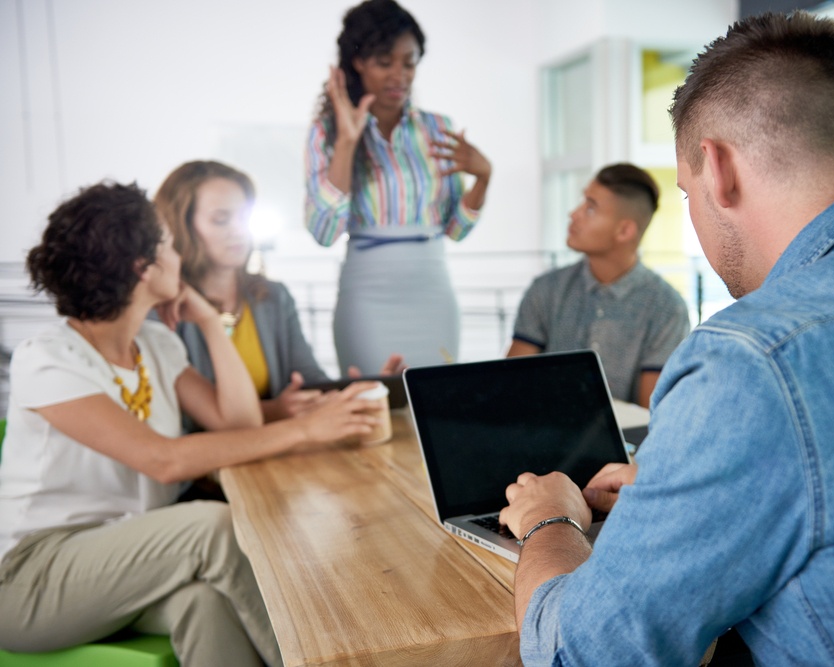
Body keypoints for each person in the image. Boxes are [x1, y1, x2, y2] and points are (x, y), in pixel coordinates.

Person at [499, 11, 834, 666]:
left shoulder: (750, 358)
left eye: (686, 194)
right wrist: (676, 483)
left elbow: (584, 653)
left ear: (717, 167)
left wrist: (550, 520)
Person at [0, 182, 384, 665]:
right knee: (213, 527)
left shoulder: (157, 346)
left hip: (130, 561)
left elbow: (238, 425)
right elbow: (163, 461)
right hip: (32, 578)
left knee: (204, 604)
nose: (177, 252)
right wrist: (306, 428)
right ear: (143, 266)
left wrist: (207, 320)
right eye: (166, 242)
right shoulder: (49, 359)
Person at [305, 0, 492, 375]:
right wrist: (347, 141)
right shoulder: (326, 133)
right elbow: (324, 233)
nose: (400, 76)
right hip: (367, 296)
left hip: (432, 290)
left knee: (435, 403)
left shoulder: (438, 128)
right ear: (358, 62)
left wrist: (483, 177)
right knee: (375, 409)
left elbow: (455, 229)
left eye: (409, 63)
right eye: (385, 62)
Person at [155, 160, 402, 424]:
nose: (239, 230)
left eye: (244, 216)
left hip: (283, 451)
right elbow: (181, 419)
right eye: (221, 219)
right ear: (180, 226)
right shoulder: (164, 308)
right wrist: (275, 411)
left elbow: (310, 380)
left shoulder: (272, 296)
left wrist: (361, 390)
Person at [506, 163, 690, 408]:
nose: (574, 214)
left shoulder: (667, 307)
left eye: (590, 208)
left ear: (624, 230)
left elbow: (652, 414)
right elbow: (511, 386)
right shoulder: (545, 290)